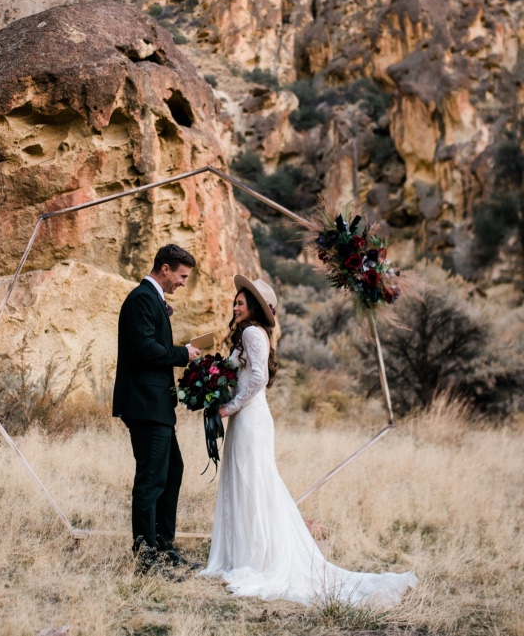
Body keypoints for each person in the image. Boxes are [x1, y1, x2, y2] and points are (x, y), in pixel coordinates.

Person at [199, 275, 418, 607]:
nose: (235, 306)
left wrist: (228, 407)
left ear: (254, 307)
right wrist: (212, 389)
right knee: (246, 481)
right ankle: (243, 554)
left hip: (250, 420)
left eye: (240, 302)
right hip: (245, 418)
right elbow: (242, 376)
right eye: (235, 302)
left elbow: (259, 377)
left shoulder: (251, 333)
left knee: (253, 482)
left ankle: (255, 558)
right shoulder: (248, 335)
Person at [112, 244, 203, 576]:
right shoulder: (141, 299)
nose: (182, 282)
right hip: (145, 405)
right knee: (150, 480)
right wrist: (182, 354)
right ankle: (144, 556)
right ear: (165, 269)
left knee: (172, 471)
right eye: (181, 276)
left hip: (157, 405)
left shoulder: (152, 300)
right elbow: (144, 348)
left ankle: (163, 545)